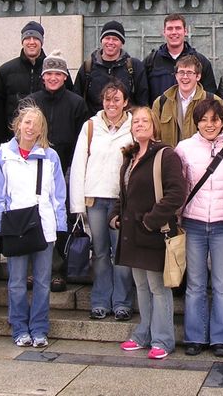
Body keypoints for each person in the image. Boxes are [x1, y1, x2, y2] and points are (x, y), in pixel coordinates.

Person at [0, 103, 67, 347]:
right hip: (15, 225)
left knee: (43, 282)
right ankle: (19, 327)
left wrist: (61, 226)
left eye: (37, 123)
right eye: (27, 122)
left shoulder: (50, 156)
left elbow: (58, 195)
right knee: (17, 281)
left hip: (44, 224)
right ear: (18, 125)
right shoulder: (4, 154)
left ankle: (40, 328)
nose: (31, 127)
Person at [114, 106, 187, 360]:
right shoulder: (130, 155)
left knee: (158, 288)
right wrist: (115, 215)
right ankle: (143, 334)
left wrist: (150, 222)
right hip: (131, 234)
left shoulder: (165, 155)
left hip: (152, 232)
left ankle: (163, 340)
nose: (140, 125)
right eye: (136, 121)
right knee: (141, 287)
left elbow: (177, 193)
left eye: (145, 120)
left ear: (154, 125)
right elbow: (124, 192)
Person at [175, 98, 223, 357]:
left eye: (214, 119)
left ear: (222, 121)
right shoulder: (184, 148)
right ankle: (195, 336)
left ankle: (222, 338)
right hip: (193, 221)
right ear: (196, 123)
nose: (209, 124)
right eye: (203, 120)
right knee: (195, 283)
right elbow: (178, 184)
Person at [69, 80, 135, 321]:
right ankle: (100, 301)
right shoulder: (90, 127)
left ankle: (122, 302)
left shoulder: (133, 127)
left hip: (121, 202)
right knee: (99, 252)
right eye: (108, 99)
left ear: (125, 102)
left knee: (121, 253)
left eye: (117, 99)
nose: (111, 104)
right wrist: (77, 205)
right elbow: (79, 166)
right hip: (95, 199)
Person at [30, 50, 88, 292]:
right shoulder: (31, 102)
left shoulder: (77, 103)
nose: (53, 77)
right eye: (49, 73)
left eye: (58, 73)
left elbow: (81, 141)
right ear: (43, 77)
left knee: (61, 220)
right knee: (36, 221)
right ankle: (35, 270)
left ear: (65, 77)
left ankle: (59, 270)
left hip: (65, 169)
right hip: (34, 169)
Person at [73, 20, 149, 114]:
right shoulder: (87, 67)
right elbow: (77, 101)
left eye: (115, 39)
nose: (110, 42)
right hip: (95, 126)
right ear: (101, 40)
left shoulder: (134, 67)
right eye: (107, 38)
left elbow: (143, 101)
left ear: (122, 43)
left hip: (126, 126)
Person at [152, 55, 223, 148]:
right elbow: (154, 136)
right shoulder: (160, 103)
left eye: (189, 73)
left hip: (202, 160)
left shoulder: (214, 101)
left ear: (198, 76)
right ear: (176, 75)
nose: (185, 77)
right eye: (181, 72)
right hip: (169, 159)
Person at [144, 14, 216, 102]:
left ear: (185, 31)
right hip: (160, 114)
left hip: (192, 115)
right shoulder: (150, 61)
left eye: (178, 28)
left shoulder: (201, 61)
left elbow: (210, 97)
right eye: (170, 28)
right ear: (164, 32)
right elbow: (142, 96)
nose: (174, 32)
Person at [0, 21, 48, 135]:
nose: (31, 42)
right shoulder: (5, 71)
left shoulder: (54, 71)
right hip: (14, 136)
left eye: (36, 38)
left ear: (42, 41)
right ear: (22, 41)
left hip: (46, 136)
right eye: (28, 38)